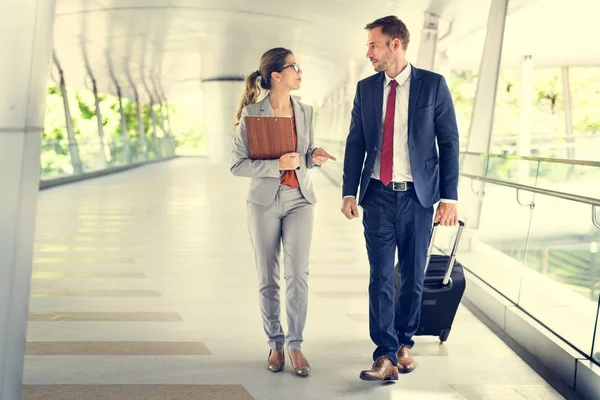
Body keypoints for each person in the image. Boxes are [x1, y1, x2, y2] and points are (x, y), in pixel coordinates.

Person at [340, 16, 459, 381]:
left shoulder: (433, 85)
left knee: (411, 275)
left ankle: (405, 341)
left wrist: (449, 197)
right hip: (376, 195)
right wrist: (349, 190)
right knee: (379, 277)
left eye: (373, 45)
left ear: (395, 44)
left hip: (418, 199)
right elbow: (356, 141)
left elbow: (449, 142)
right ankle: (385, 354)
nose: (368, 53)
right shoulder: (366, 88)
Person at [231, 47, 335, 377]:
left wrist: (313, 158)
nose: (300, 72)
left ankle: (295, 345)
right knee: (268, 276)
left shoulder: (305, 111)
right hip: (263, 202)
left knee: (298, 274)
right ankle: (275, 343)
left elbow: (303, 158)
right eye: (295, 67)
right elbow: (237, 165)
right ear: (277, 75)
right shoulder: (252, 114)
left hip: (300, 199)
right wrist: (275, 164)